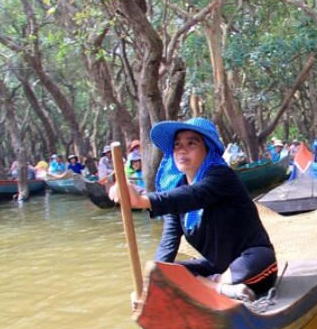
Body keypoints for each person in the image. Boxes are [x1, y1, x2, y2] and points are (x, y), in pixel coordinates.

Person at [109, 117, 277, 302]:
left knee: (259, 259)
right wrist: (150, 285)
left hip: (252, 264)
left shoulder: (222, 176)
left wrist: (142, 201)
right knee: (164, 273)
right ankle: (221, 288)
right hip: (216, 267)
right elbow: (168, 243)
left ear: (207, 148)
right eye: (177, 145)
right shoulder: (176, 192)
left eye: (191, 143)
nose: (182, 150)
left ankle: (213, 285)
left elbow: (194, 195)